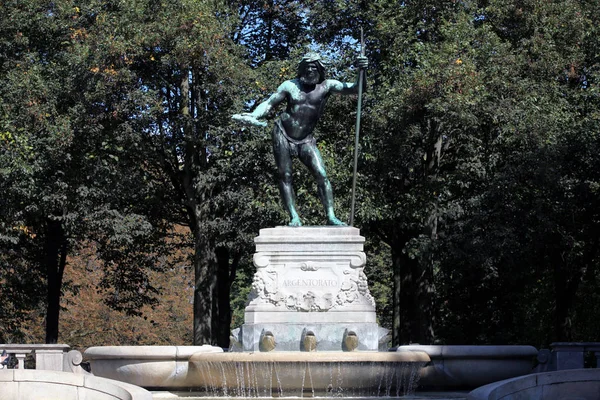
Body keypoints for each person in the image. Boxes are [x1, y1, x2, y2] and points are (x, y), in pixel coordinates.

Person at [233, 52, 368, 226]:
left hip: (305, 139)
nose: (310, 71)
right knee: (285, 175)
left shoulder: (327, 86)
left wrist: (362, 70)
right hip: (282, 133)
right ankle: (294, 216)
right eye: (307, 68)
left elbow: (358, 88)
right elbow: (269, 103)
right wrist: (254, 115)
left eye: (314, 68)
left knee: (322, 175)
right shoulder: (290, 86)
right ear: (301, 70)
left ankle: (331, 216)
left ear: (320, 70)